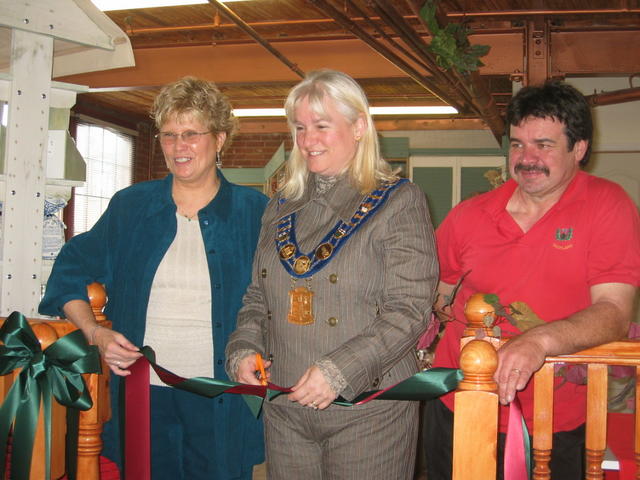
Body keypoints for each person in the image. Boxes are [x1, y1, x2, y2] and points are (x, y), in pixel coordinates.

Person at [39, 76, 267, 480]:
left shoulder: (256, 212)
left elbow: (279, 295)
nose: (179, 147)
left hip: (222, 395)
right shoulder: (131, 208)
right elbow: (68, 273)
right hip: (143, 394)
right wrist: (95, 333)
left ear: (219, 138)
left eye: (192, 134)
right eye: (169, 135)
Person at [226, 69, 438, 479]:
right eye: (300, 128)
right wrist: (243, 346)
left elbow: (409, 310)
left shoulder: (400, 201)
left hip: (368, 407)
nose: (307, 141)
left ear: (359, 127)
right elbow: (258, 295)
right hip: (286, 405)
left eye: (322, 126)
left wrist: (339, 370)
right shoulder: (280, 205)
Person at [423, 81, 640, 479]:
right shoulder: (470, 215)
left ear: (579, 148)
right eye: (518, 144)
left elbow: (614, 312)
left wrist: (536, 342)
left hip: (555, 423)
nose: (527, 158)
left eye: (544, 145)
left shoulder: (608, 205)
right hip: (460, 407)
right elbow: (432, 293)